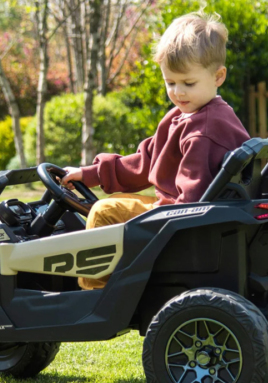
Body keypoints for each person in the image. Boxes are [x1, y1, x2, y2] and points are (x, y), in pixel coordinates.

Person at [61, 11, 250, 290]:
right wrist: (89, 174)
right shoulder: (184, 116)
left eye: (188, 83)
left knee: (103, 213)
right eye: (170, 82)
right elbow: (146, 161)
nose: (177, 92)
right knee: (114, 204)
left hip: (181, 223)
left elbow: (192, 201)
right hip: (180, 212)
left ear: (218, 76)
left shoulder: (204, 131)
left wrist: (155, 221)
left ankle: (96, 294)